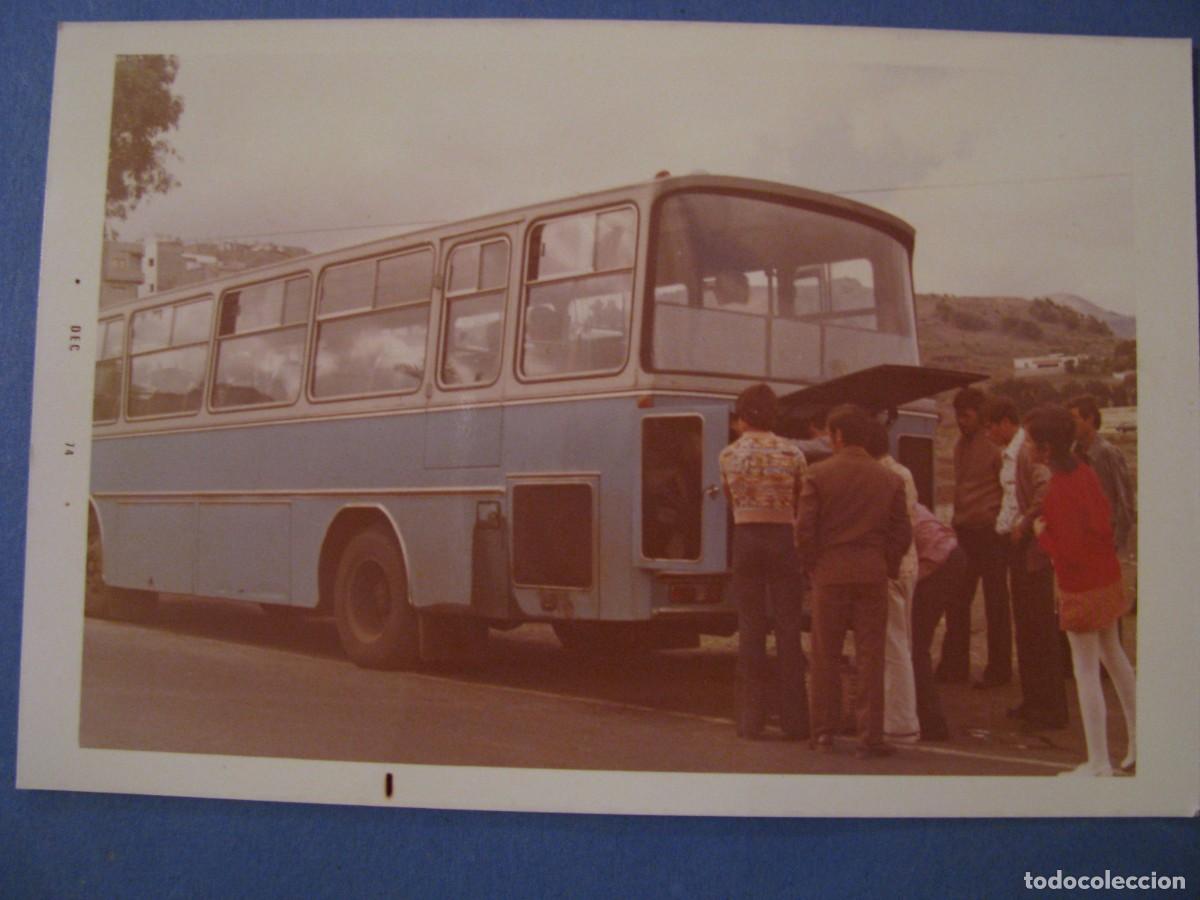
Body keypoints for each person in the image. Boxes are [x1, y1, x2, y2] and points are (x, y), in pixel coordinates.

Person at [796, 404, 912, 758]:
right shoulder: (890, 478)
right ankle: (870, 736)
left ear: (839, 436)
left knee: (824, 656)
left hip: (830, 573)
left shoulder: (817, 475)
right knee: (871, 657)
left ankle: (824, 733)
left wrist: (812, 567)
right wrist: (885, 564)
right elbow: (902, 533)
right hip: (872, 573)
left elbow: (805, 531)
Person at [1026, 405, 1136, 777]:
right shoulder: (1086, 473)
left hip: (1080, 585)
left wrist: (1044, 536)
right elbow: (1103, 520)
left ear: (1044, 448)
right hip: (1107, 576)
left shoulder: (1057, 490)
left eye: (1030, 441)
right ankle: (1137, 741)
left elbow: (1068, 553)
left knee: (1086, 670)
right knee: (1115, 656)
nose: (1026, 447)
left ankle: (1099, 761)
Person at [719, 383, 809, 740]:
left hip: (747, 537)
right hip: (783, 537)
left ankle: (750, 720)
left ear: (741, 416)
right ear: (775, 415)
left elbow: (729, 498)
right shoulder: (793, 453)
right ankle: (794, 721)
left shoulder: (729, 455)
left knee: (750, 627)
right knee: (788, 628)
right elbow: (801, 497)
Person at [982, 398, 1067, 730]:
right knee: (1027, 628)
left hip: (1031, 548)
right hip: (1017, 546)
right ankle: (1035, 701)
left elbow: (1044, 489)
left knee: (1038, 627)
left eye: (991, 425)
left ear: (1006, 422)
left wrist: (1024, 522)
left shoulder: (1024, 451)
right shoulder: (1012, 453)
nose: (989, 432)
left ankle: (1050, 706)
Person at [939, 387, 1011, 689]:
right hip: (965, 532)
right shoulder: (959, 446)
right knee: (956, 600)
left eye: (965, 416)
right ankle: (954, 667)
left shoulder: (995, 448)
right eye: (957, 415)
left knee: (996, 603)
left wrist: (999, 522)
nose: (960, 421)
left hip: (990, 534)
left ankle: (999, 670)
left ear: (980, 416)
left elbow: (1007, 489)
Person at [864, 419, 921, 745]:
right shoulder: (902, 472)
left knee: (893, 647)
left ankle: (899, 722)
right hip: (907, 566)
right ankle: (898, 717)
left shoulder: (884, 477)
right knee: (901, 644)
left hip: (891, 568)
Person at [909, 503, 968, 741]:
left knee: (915, 645)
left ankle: (931, 722)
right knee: (915, 643)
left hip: (939, 561)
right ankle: (924, 716)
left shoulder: (886, 495)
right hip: (950, 555)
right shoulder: (897, 487)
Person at [1066, 395, 1136, 552]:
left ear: (1090, 419)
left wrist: (1116, 543)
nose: (1069, 424)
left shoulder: (1108, 453)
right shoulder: (1073, 453)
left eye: (1074, 419)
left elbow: (1125, 502)